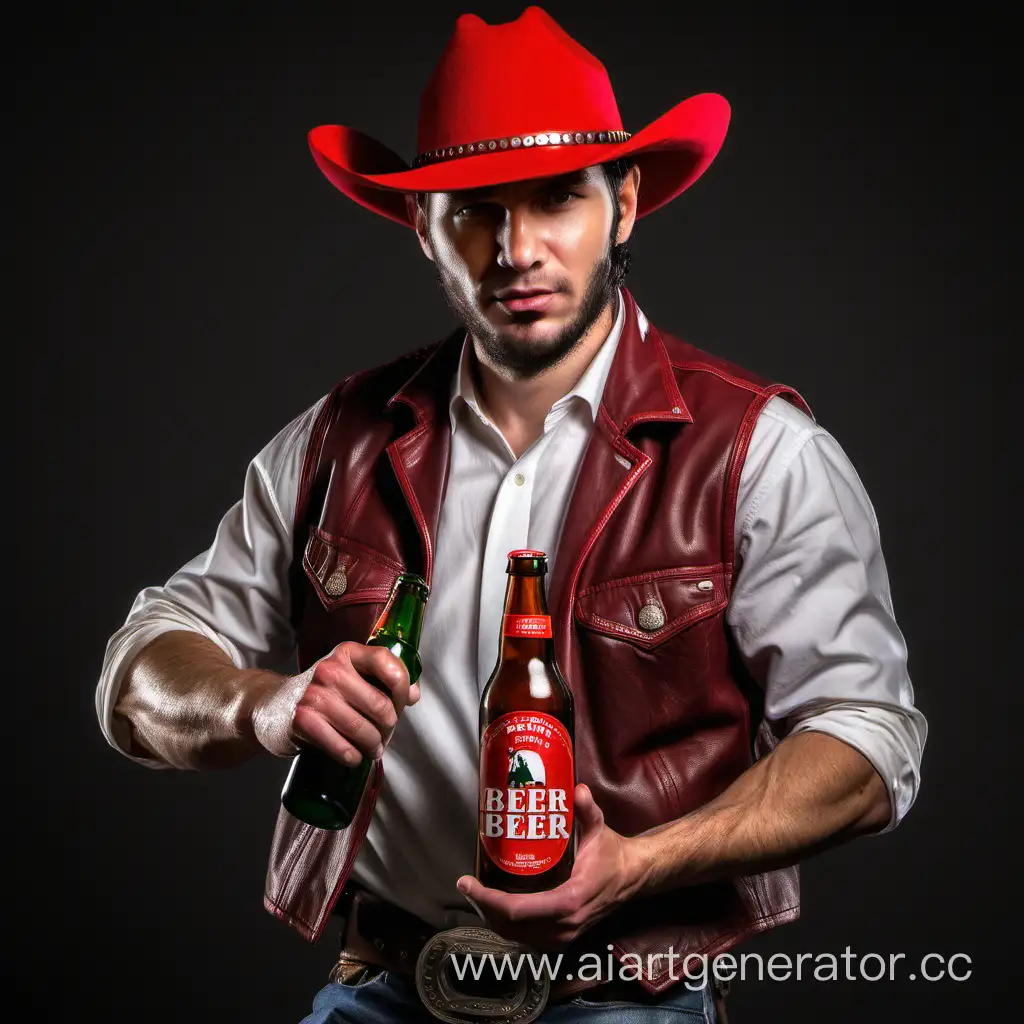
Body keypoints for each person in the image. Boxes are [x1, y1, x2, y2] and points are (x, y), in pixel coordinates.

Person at [95, 7, 927, 1023]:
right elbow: (140, 671)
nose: (516, 249)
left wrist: (634, 865)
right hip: (384, 992)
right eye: (474, 210)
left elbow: (866, 741)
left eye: (556, 201)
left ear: (623, 205)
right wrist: (261, 705)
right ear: (423, 228)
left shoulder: (758, 452)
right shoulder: (332, 441)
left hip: (629, 1001)